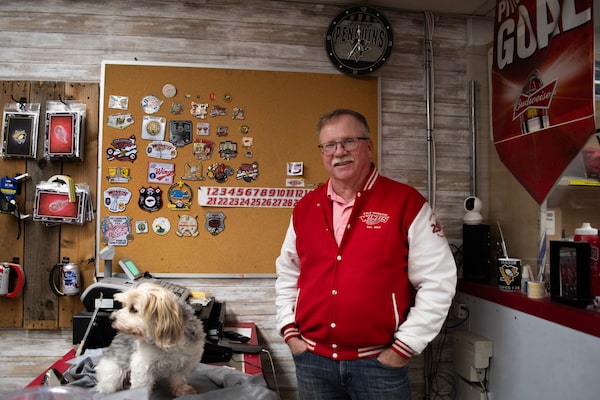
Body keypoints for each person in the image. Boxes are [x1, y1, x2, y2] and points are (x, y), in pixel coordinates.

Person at [275, 109, 457, 399]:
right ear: (322, 153)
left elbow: (438, 280)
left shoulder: (406, 203)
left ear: (369, 146)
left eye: (349, 141)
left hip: (379, 365)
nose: (339, 152)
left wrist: (404, 347)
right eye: (330, 145)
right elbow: (288, 273)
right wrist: (289, 331)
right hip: (312, 362)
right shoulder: (305, 208)